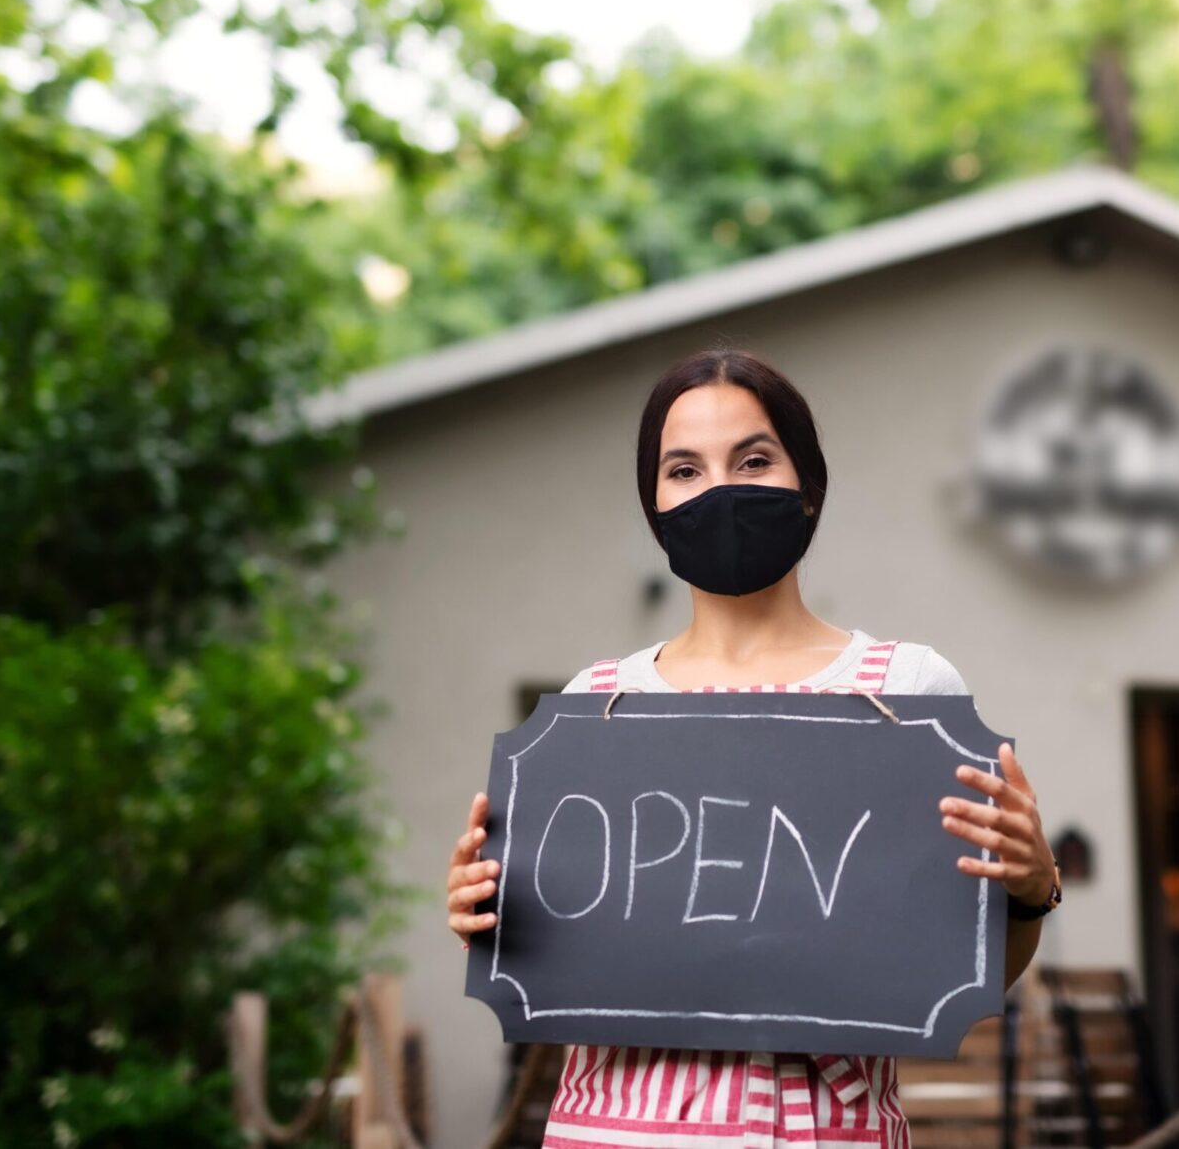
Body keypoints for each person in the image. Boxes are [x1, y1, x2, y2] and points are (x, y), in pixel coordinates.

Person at [445, 347, 1060, 1149]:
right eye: (684, 469)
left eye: (754, 459)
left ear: (809, 486)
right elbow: (558, 956)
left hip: (824, 1134)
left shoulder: (907, 689)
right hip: (609, 1134)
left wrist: (1031, 886)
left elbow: (952, 969)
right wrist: (485, 916)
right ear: (653, 503)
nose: (721, 490)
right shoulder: (598, 705)